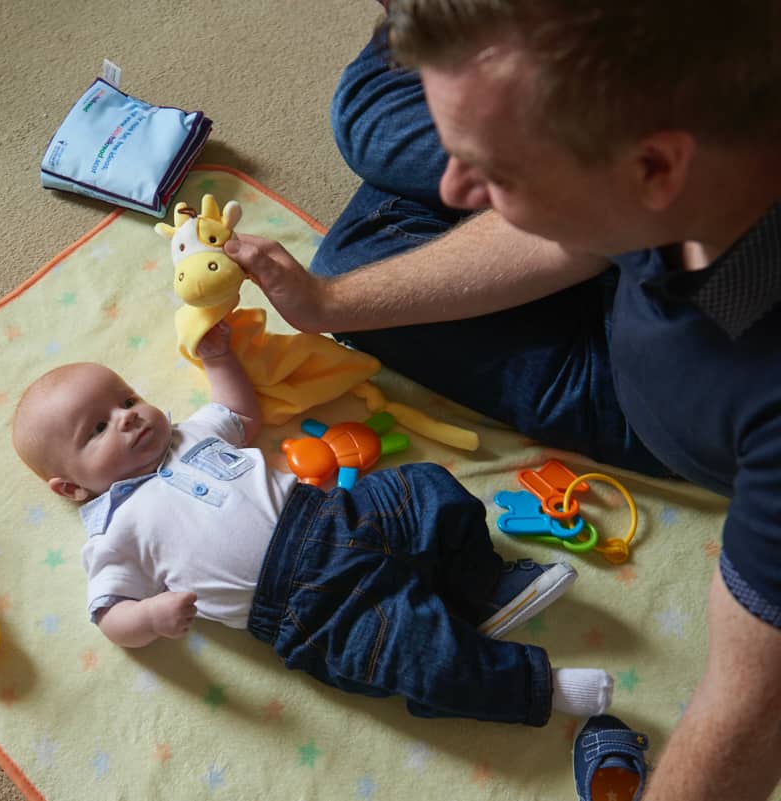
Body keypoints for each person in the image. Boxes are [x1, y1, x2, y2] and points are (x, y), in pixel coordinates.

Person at [220, 1, 781, 799]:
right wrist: (326, 308)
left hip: (638, 397)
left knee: (376, 178)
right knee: (368, 141)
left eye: (495, 172)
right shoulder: (681, 160)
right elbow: (582, 228)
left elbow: (747, 719)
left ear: (655, 170)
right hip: (636, 276)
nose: (457, 186)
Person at [12, 321, 616, 726]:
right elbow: (109, 617)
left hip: (333, 512)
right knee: (410, 649)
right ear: (71, 487)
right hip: (305, 605)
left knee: (428, 489)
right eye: (97, 429)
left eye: (125, 399)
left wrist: (220, 357)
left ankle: (483, 586)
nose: (127, 419)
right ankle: (534, 688)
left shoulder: (188, 434)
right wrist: (149, 617)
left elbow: (240, 415)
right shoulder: (114, 529)